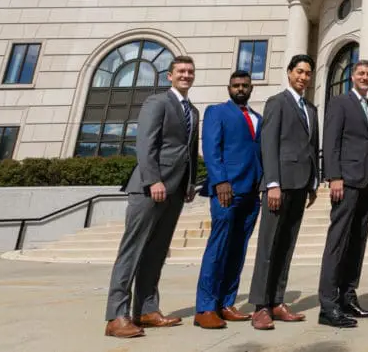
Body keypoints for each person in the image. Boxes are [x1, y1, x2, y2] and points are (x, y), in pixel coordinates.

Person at [104, 55, 199, 339]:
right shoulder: (157, 102)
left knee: (156, 253)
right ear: (169, 76)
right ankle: (115, 315)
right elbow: (145, 144)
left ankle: (146, 309)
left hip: (176, 191)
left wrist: (190, 183)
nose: (186, 75)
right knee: (132, 252)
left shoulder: (192, 110)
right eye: (180, 71)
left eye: (190, 71)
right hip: (150, 188)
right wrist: (153, 179)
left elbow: (189, 151)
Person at [247, 55, 320, 330]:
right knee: (269, 246)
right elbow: (268, 145)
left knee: (286, 247)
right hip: (280, 185)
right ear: (289, 73)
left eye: (308, 73)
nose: (303, 77)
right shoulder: (277, 102)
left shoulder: (311, 109)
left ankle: (277, 301)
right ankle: (260, 306)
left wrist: (314, 182)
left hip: (301, 185)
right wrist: (272, 183)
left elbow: (312, 148)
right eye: (299, 72)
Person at [317, 59, 368, 328]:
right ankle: (328, 305)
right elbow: (331, 140)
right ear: (352, 76)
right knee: (338, 241)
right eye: (361, 73)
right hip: (345, 182)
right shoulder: (340, 103)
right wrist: (334, 176)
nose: (365, 77)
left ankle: (348, 297)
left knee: (358, 242)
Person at [194, 70, 262, 330]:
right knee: (218, 248)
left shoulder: (258, 118)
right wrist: (220, 181)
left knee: (238, 250)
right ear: (229, 88)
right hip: (226, 192)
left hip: (251, 193)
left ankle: (226, 303)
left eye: (245, 85)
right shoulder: (217, 112)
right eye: (236, 85)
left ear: (251, 87)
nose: (240, 89)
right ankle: (206, 307)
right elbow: (211, 148)